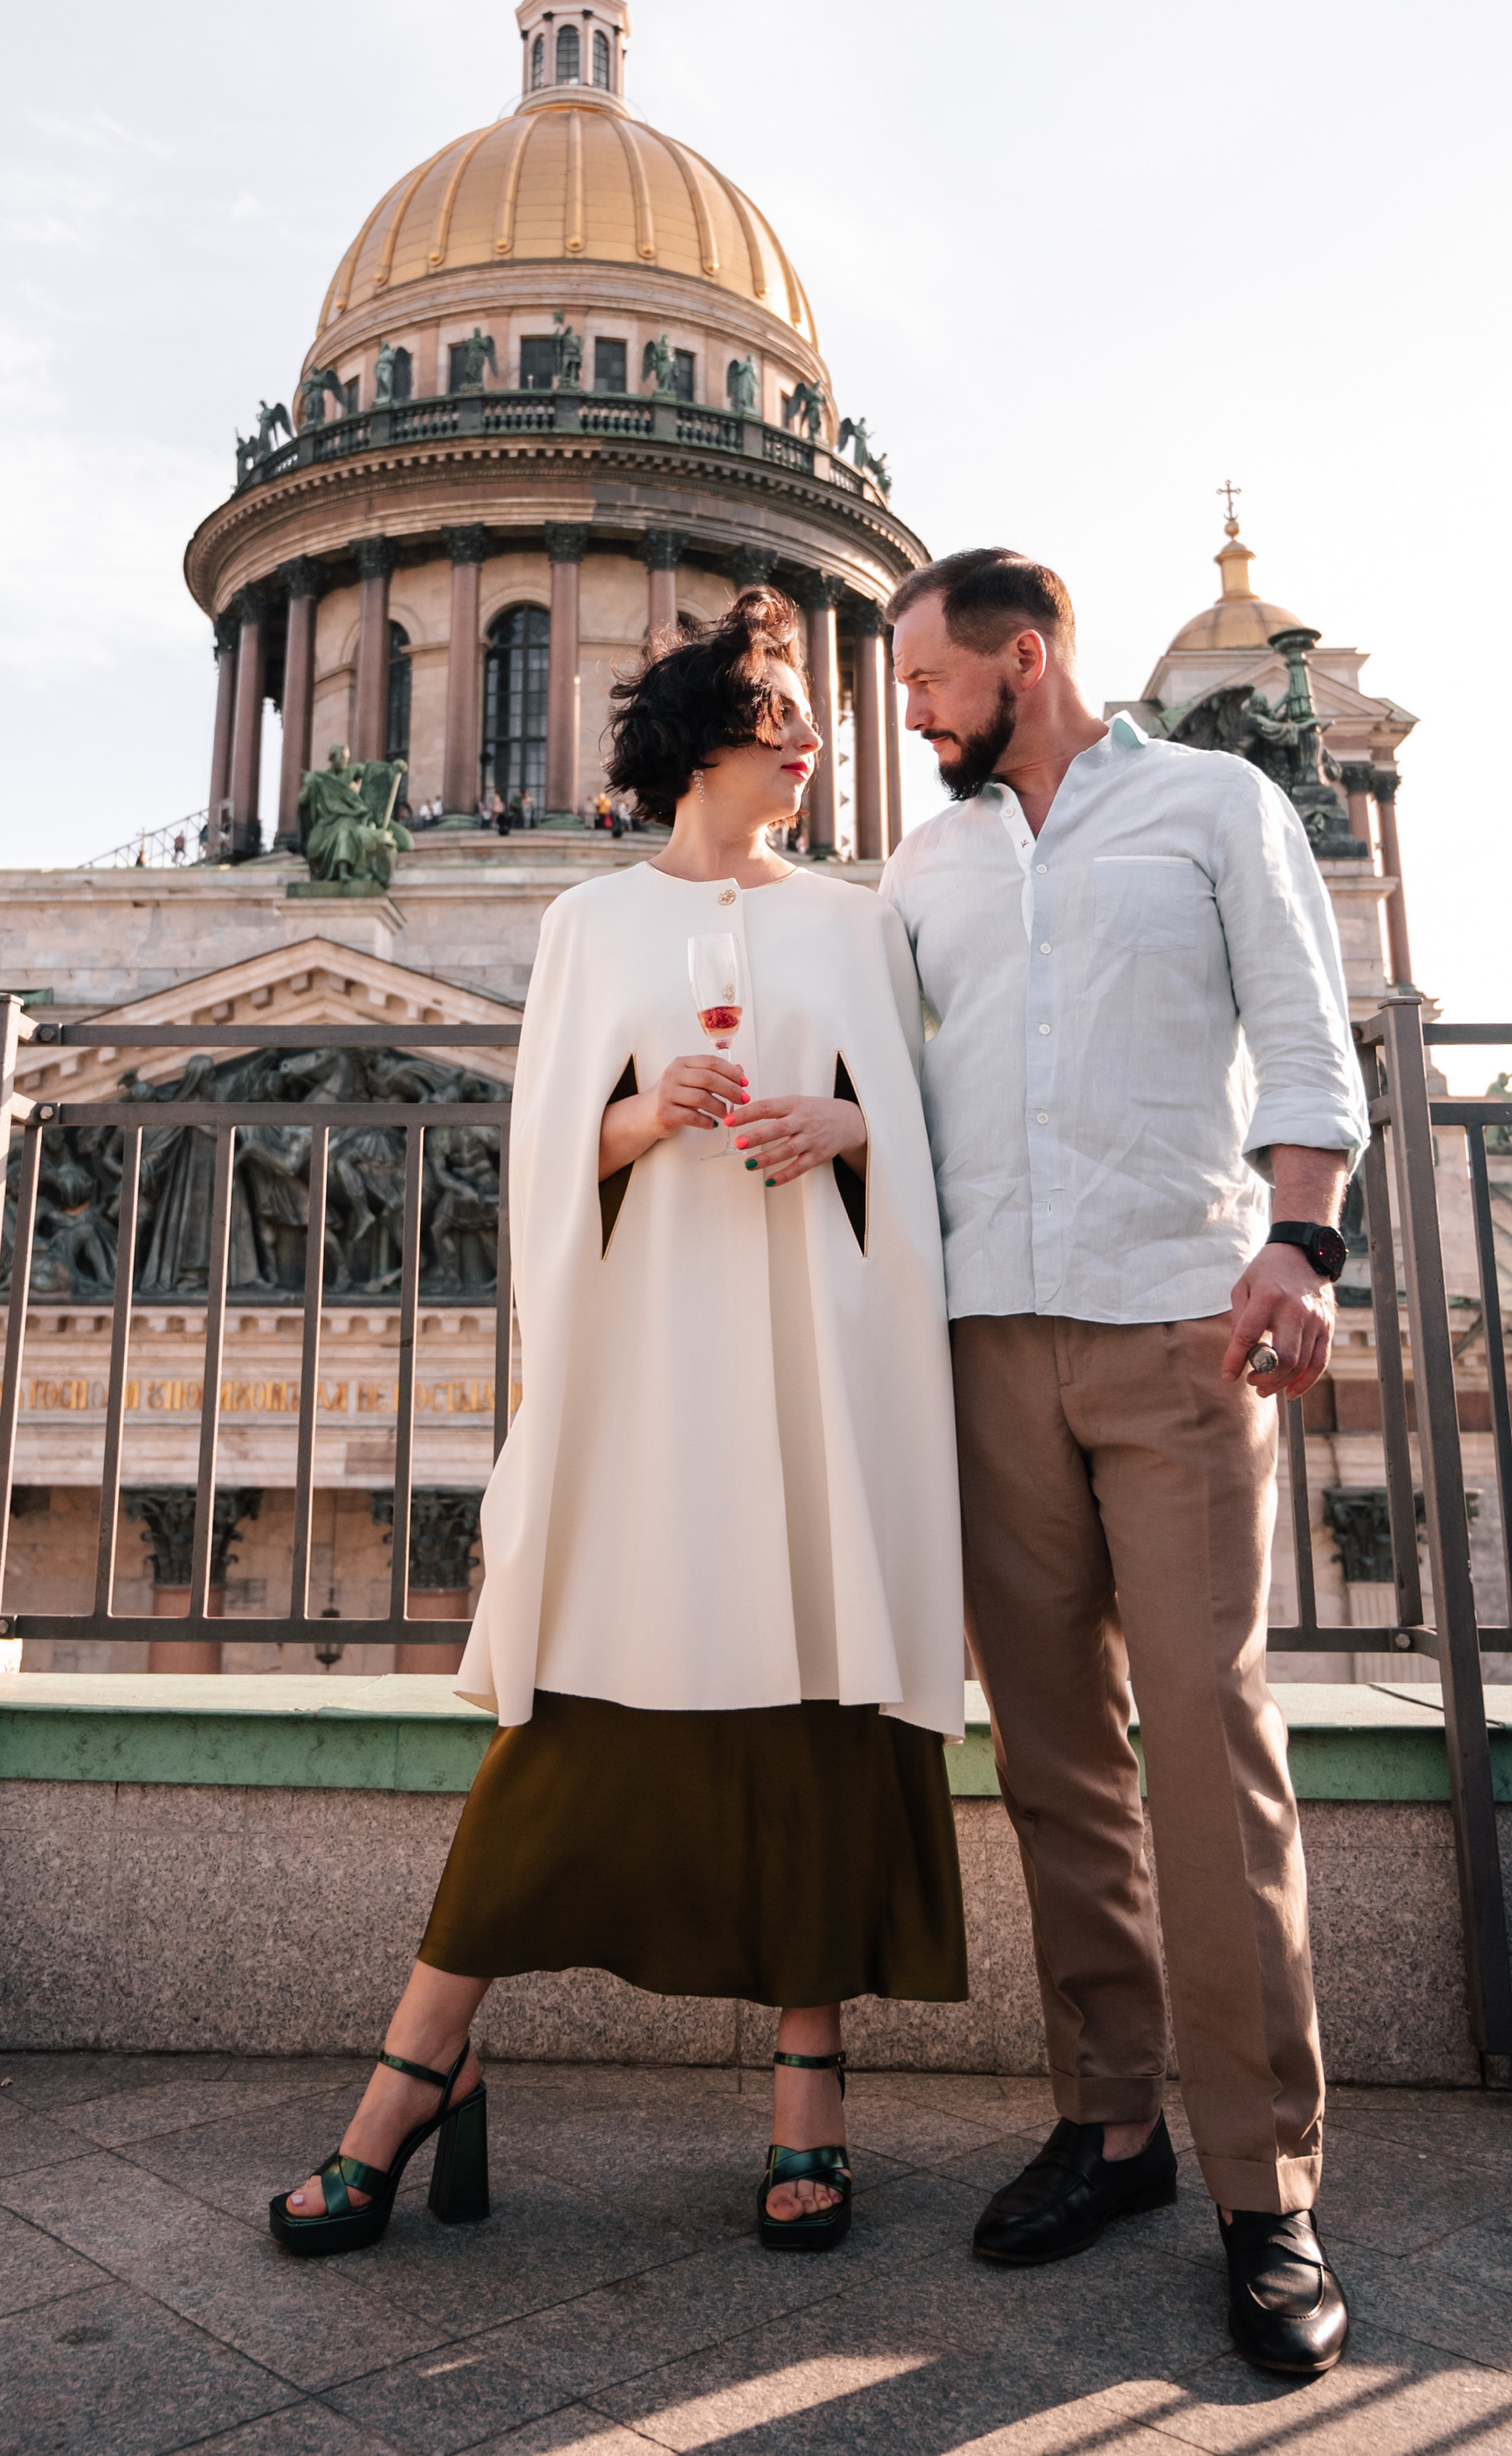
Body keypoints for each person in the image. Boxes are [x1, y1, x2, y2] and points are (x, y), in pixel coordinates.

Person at [271, 588, 967, 2260]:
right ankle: (414, 2073)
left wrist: (846, 1125)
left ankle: (810, 2095)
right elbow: (534, 1176)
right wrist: (636, 1117)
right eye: (776, 714)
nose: (812, 739)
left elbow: (923, 1152)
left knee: (811, 1690)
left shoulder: (861, 922)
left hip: (807, 1364)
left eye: (814, 717)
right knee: (563, 1720)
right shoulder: (588, 923)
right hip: (649, 1366)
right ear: (693, 736)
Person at [882, 547, 1368, 2383]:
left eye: (928, 680)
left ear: (1024, 657)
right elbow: (887, 1074)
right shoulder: (921, 866)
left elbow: (1304, 1032)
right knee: (1056, 1763)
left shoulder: (1211, 805)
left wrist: (1299, 1243)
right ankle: (1109, 2126)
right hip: (984, 1343)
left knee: (1205, 1745)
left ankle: (1266, 2188)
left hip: (1178, 1323)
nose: (909, 713)